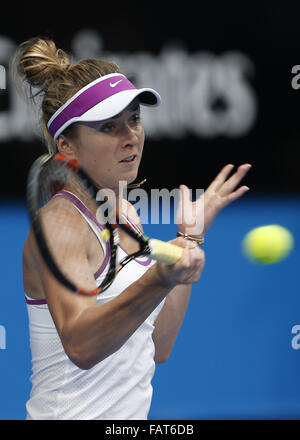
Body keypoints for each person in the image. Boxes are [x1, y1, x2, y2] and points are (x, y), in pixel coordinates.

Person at [13, 38, 251, 420]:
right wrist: (159, 277)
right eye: (109, 127)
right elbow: (82, 345)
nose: (131, 136)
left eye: (134, 119)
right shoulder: (59, 227)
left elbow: (159, 344)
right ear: (66, 145)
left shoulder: (125, 214)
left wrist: (188, 239)